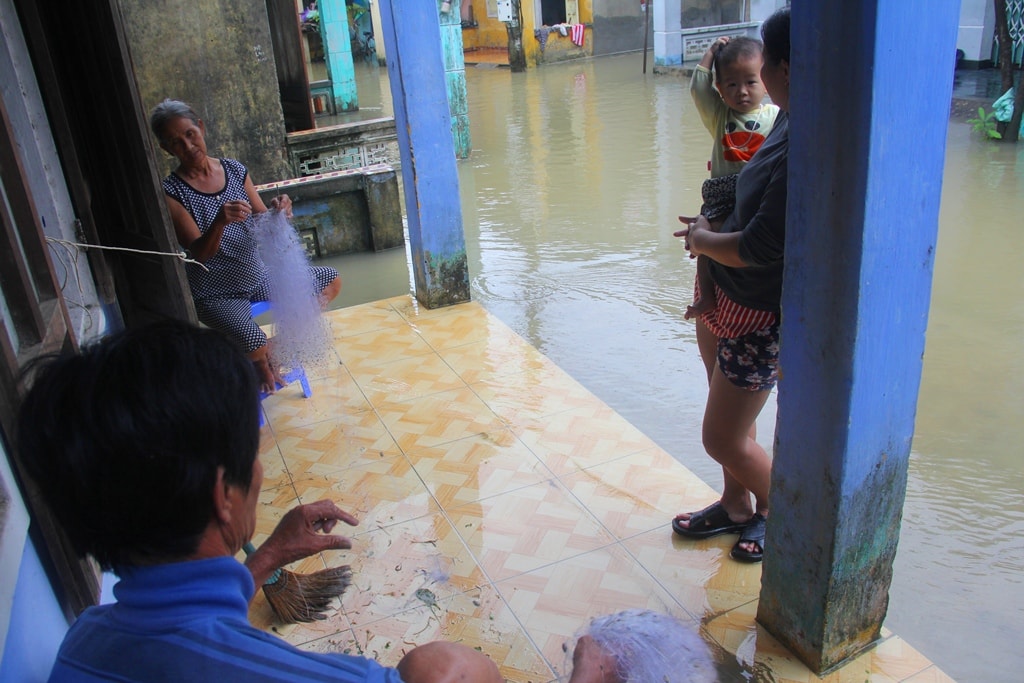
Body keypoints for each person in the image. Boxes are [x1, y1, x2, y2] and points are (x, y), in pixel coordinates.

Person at [17, 321, 623, 683]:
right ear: (221, 499)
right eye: (249, 451)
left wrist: (266, 557)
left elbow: (182, 622)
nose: (258, 467)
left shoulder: (85, 644)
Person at [671, 7, 790, 563]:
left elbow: (763, 245)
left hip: (756, 302)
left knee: (724, 434)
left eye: (757, 75)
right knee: (725, 408)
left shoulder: (790, 129)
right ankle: (737, 504)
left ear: (778, 70)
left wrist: (703, 240)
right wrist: (707, 240)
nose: (749, 89)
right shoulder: (776, 119)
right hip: (722, 284)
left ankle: (781, 514)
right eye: (734, 81)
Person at [149, 98, 341, 394]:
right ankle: (261, 364)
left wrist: (279, 210)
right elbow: (199, 254)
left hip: (256, 276)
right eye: (176, 143)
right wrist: (219, 222)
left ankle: (274, 351)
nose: (188, 146)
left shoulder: (235, 171)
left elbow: (261, 218)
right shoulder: (171, 192)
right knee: (252, 342)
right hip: (215, 292)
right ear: (166, 149)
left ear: (200, 127)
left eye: (190, 134)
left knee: (331, 280)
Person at [686, 35, 780, 320]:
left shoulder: (777, 116)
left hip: (758, 190)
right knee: (703, 240)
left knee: (746, 240)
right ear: (721, 89)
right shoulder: (719, 114)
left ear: (765, 80)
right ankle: (708, 297)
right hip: (723, 191)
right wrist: (712, 52)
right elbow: (698, 88)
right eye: (732, 84)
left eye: (750, 82)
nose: (742, 91)